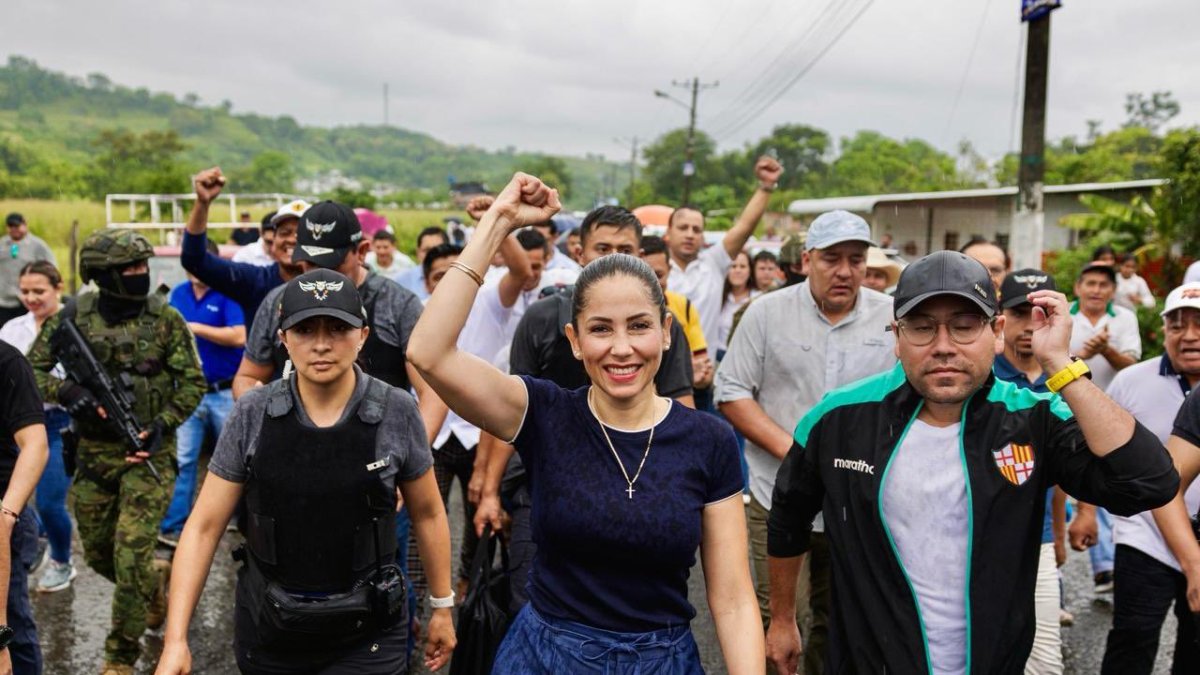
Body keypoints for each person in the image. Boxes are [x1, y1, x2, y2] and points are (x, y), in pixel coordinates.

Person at [408, 172, 763, 672]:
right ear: (575, 341)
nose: (621, 348)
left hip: (660, 661)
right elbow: (428, 351)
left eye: (639, 326)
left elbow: (732, 600)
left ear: (666, 333)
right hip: (546, 657)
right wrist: (499, 221)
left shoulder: (708, 441)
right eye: (601, 329)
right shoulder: (544, 412)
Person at [765, 250, 1180, 674]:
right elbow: (788, 515)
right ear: (897, 335)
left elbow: (1148, 483)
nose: (944, 347)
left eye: (964, 328)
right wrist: (782, 619)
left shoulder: (1032, 417)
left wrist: (1061, 364)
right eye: (923, 328)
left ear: (997, 332)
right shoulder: (838, 417)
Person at [155, 269, 457, 675]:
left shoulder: (396, 411)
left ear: (363, 335)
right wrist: (176, 640)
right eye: (304, 329)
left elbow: (429, 513)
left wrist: (442, 606)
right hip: (273, 626)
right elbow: (204, 527)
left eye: (337, 328)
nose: (320, 345)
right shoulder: (252, 413)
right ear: (282, 339)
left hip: (368, 632)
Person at [472, 204, 696, 618]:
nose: (612, 257)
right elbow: (510, 408)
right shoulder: (542, 318)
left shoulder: (660, 326)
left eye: (625, 249)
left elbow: (682, 402)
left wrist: (685, 486)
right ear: (579, 253)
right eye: (602, 247)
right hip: (538, 483)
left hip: (633, 479)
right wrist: (488, 488)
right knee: (534, 604)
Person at [717, 209, 895, 675]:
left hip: (856, 499)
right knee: (779, 621)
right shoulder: (767, 313)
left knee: (839, 620)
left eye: (855, 259)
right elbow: (731, 392)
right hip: (776, 493)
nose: (844, 271)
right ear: (806, 259)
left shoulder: (890, 318)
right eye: (832, 258)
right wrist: (800, 455)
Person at [28, 229, 206, 675]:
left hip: (149, 458)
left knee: (128, 557)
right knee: (101, 555)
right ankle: (153, 583)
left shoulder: (165, 319)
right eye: (130, 269)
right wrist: (67, 390)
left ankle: (119, 657)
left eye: (143, 267)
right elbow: (31, 370)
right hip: (93, 454)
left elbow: (192, 384)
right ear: (102, 275)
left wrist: (161, 426)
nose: (141, 275)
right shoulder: (71, 316)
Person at [233, 201, 444, 440]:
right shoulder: (277, 302)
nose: (321, 276)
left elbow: (433, 393)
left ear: (362, 252)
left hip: (376, 451)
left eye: (332, 265)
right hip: (295, 449)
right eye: (310, 264)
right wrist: (257, 406)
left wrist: (410, 457)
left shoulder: (397, 303)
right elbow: (248, 376)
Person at [1090, 282, 1200, 673]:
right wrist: (1086, 513)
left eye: (1199, 324)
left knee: (1194, 643)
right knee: (1133, 636)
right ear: (1164, 330)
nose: (1189, 336)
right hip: (1145, 532)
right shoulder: (1132, 381)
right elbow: (1099, 452)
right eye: (1177, 325)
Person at [994, 269, 1069, 673]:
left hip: (1034, 538)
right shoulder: (979, 374)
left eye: (1041, 312)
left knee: (1043, 660)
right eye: (1019, 313)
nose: (1029, 325)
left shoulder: (1067, 377)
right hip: (979, 535)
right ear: (1000, 318)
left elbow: (1062, 473)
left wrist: (1059, 532)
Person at [159, 240, 246, 546]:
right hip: (188, 392)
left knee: (237, 460)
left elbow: (239, 336)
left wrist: (194, 327)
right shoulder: (178, 293)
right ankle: (173, 525)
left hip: (224, 391)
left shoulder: (227, 293)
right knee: (183, 459)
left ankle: (241, 519)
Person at [0, 261, 77, 593]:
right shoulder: (12, 329)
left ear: (58, 287)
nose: (31, 298)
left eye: (39, 291)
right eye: (25, 291)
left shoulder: (75, 327)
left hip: (55, 425)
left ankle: (62, 559)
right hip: (12, 426)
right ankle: (30, 542)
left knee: (48, 501)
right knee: (14, 498)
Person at [665, 156, 782, 352]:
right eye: (683, 228)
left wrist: (766, 186)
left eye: (696, 229)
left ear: (703, 236)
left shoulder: (713, 263)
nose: (689, 234)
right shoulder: (654, 270)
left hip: (704, 377)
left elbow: (744, 227)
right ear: (668, 232)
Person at [182, 168, 309, 331]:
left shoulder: (330, 286)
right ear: (273, 241)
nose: (292, 240)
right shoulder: (254, 282)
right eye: (285, 233)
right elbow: (194, 261)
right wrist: (202, 203)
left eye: (302, 234)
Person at [0, 338, 49, 675]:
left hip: (5, 514)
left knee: (10, 627)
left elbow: (36, 445)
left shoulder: (8, 361)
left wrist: (6, 515)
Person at [642, 235, 713, 393]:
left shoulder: (684, 306)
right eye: (644, 276)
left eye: (658, 275)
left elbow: (705, 371)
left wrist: (696, 376)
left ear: (669, 269)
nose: (652, 284)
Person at [0, 213, 56, 327]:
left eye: (17, 226)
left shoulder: (38, 245)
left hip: (26, 300)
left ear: (25, 225)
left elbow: (52, 268)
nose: (14, 229)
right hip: (3, 301)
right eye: (11, 226)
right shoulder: (2, 243)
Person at [715, 250, 758, 358]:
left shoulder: (758, 299)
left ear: (750, 271)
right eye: (733, 266)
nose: (737, 270)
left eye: (742, 266)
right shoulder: (717, 298)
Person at [396, 227, 450, 302]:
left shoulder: (459, 279)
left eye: (437, 249)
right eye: (427, 250)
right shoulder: (401, 281)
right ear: (418, 252)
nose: (432, 255)